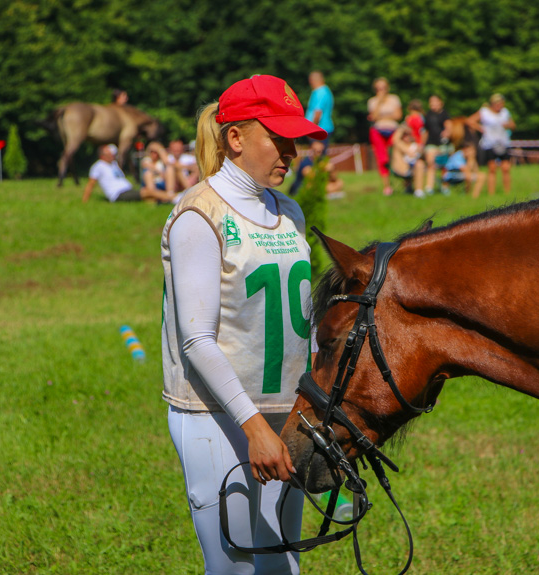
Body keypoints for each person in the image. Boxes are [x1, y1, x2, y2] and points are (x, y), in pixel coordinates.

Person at [161, 74, 327, 574]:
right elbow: (196, 339)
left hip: (289, 416)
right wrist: (255, 429)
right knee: (234, 569)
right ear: (235, 138)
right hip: (218, 420)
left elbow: (305, 321)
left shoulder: (289, 211)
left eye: (294, 139)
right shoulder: (199, 214)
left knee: (282, 568)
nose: (292, 152)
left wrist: (317, 404)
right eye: (279, 138)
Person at [82, 144, 175, 203]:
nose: (112, 155)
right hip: (118, 194)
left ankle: (166, 200)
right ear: (102, 156)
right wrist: (84, 201)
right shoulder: (98, 166)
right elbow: (91, 184)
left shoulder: (113, 164)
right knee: (148, 192)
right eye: (109, 154)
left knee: (150, 198)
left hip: (127, 189)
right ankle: (174, 198)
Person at [466, 93, 516, 195]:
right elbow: (469, 121)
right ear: (492, 104)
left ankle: (508, 193)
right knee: (492, 168)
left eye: (501, 103)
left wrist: (508, 125)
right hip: (490, 144)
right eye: (497, 103)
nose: (499, 106)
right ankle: (491, 193)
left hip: (503, 143)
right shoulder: (484, 112)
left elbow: (513, 125)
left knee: (506, 168)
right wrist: (480, 128)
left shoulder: (505, 112)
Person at [367, 77, 403, 196]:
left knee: (398, 155)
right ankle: (387, 187)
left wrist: (383, 116)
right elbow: (374, 117)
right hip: (378, 131)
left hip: (393, 130)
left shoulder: (394, 99)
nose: (381, 90)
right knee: (382, 159)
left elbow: (398, 115)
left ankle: (405, 181)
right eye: (378, 88)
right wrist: (380, 103)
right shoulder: (372, 101)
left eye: (383, 87)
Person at [423, 94, 452, 195]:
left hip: (442, 144)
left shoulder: (444, 114)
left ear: (440, 103)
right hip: (431, 143)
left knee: (445, 165)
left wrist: (446, 132)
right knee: (431, 163)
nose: (433, 104)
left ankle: (445, 186)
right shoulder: (428, 115)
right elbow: (426, 131)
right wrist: (422, 144)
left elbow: (449, 127)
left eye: (435, 101)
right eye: (431, 102)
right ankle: (429, 187)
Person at [389, 124, 425, 196]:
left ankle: (418, 191)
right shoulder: (398, 146)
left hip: (413, 167)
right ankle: (414, 189)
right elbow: (395, 139)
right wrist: (402, 129)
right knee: (418, 164)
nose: (407, 137)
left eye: (408, 135)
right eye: (404, 135)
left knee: (420, 164)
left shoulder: (415, 145)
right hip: (401, 169)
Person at [305, 71, 334, 152]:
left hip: (320, 129)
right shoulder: (325, 91)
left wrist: (312, 130)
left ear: (311, 80)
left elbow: (317, 113)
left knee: (317, 158)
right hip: (323, 129)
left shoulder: (320, 92)